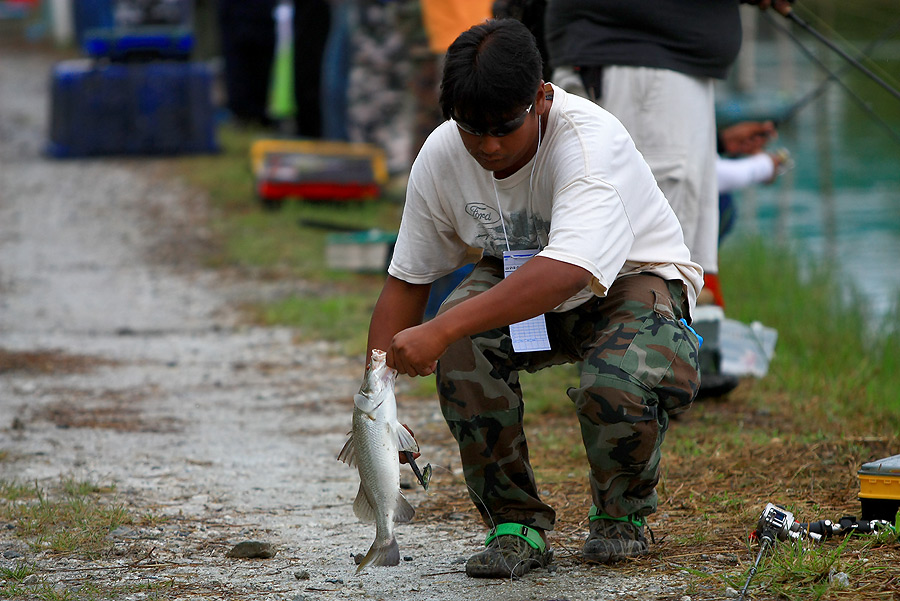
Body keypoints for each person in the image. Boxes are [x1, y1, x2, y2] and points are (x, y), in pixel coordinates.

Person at [365, 18, 703, 578]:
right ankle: (514, 523)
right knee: (461, 339)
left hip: (628, 279)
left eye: (505, 127)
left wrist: (441, 329)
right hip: (523, 279)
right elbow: (407, 281)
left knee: (612, 380)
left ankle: (622, 518)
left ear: (541, 99)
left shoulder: (591, 146)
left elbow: (566, 273)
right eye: (472, 129)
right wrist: (376, 407)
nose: (489, 145)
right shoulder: (444, 154)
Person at [544, 0, 794, 310]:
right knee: (649, 275)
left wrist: (715, 142)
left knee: (670, 273)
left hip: (659, 67)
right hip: (643, 64)